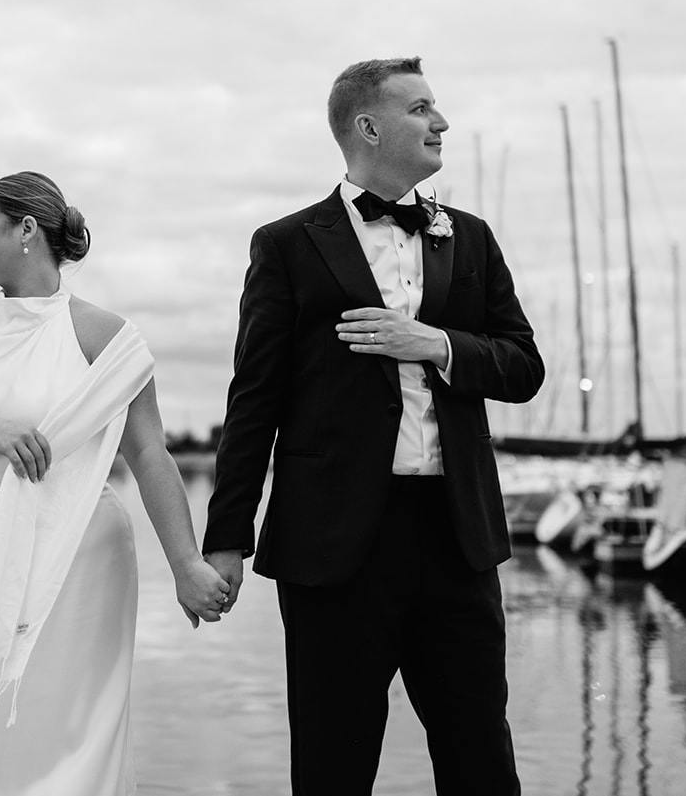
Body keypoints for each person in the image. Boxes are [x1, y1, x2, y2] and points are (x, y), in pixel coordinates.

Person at [202, 57, 544, 796]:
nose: (441, 122)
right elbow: (253, 399)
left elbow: (524, 366)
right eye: (422, 108)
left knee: (482, 759)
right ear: (368, 126)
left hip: (457, 539)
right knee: (333, 764)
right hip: (332, 546)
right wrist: (227, 538)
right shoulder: (288, 243)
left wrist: (440, 344)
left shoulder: (472, 239)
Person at [0, 171, 228, 796]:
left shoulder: (105, 336)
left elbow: (150, 451)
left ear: (25, 229)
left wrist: (185, 564)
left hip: (77, 561)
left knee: (68, 732)